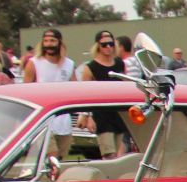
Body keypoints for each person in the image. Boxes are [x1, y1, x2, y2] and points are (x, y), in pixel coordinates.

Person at [22, 28, 75, 158]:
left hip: (63, 119)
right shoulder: (34, 63)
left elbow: (76, 88)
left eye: (52, 40)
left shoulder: (69, 64)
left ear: (59, 43)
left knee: (61, 158)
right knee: (51, 155)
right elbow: (25, 90)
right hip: (44, 118)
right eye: (45, 41)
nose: (49, 44)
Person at [76, 30, 130, 157]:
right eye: (104, 44)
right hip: (102, 115)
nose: (108, 47)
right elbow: (84, 94)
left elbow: (125, 86)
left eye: (111, 44)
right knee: (108, 154)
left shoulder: (119, 64)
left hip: (119, 114)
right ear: (98, 46)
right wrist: (87, 116)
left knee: (120, 155)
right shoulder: (90, 67)